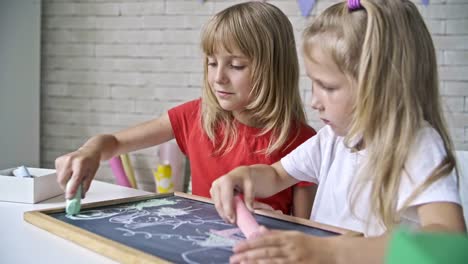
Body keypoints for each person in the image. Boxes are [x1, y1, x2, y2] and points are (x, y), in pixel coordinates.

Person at [210, 0, 466, 262]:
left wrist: (330, 251)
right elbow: (276, 175)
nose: (314, 101)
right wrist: (244, 176)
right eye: (313, 84)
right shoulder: (334, 138)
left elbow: (451, 244)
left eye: (328, 87)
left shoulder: (417, 146)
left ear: (381, 87)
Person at [55, 2, 317, 218]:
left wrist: (276, 220)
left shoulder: (303, 142)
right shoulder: (194, 116)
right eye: (212, 63)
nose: (218, 78)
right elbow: (112, 143)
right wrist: (89, 151)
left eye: (236, 65)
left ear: (274, 70)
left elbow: (305, 232)